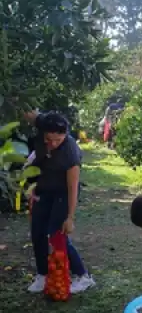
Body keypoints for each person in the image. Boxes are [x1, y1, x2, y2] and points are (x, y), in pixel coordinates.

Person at [22, 111, 95, 294]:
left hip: (63, 193)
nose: (53, 144)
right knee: (37, 232)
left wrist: (70, 217)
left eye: (58, 140)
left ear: (65, 135)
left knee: (57, 234)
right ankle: (42, 275)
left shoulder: (70, 153)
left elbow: (72, 187)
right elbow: (28, 111)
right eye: (49, 139)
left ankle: (83, 276)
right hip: (44, 189)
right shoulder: (43, 123)